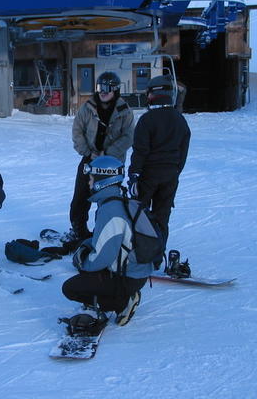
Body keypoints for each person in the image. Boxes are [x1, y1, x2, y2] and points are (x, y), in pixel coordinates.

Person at [62, 155, 151, 326]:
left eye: (91, 178)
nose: (88, 182)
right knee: (86, 263)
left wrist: (82, 262)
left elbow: (101, 258)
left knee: (71, 288)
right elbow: (102, 239)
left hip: (128, 277)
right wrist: (83, 247)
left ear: (103, 179)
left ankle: (122, 302)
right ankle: (119, 294)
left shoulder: (111, 211)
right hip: (135, 271)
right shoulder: (118, 200)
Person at [68, 71, 134, 247]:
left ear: (116, 90)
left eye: (107, 88)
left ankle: (102, 232)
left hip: (112, 164)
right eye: (99, 87)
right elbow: (77, 131)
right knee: (80, 197)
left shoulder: (124, 111)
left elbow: (129, 136)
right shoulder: (87, 107)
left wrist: (109, 153)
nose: (103, 91)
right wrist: (88, 153)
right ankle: (78, 231)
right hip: (90, 160)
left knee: (107, 200)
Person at [128, 74, 191, 243]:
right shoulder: (180, 120)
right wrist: (175, 170)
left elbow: (140, 151)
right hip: (170, 176)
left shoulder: (147, 120)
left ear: (154, 94)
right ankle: (157, 254)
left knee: (140, 214)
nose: (146, 97)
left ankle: (140, 254)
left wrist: (134, 174)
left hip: (148, 176)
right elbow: (183, 152)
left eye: (148, 93)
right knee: (162, 216)